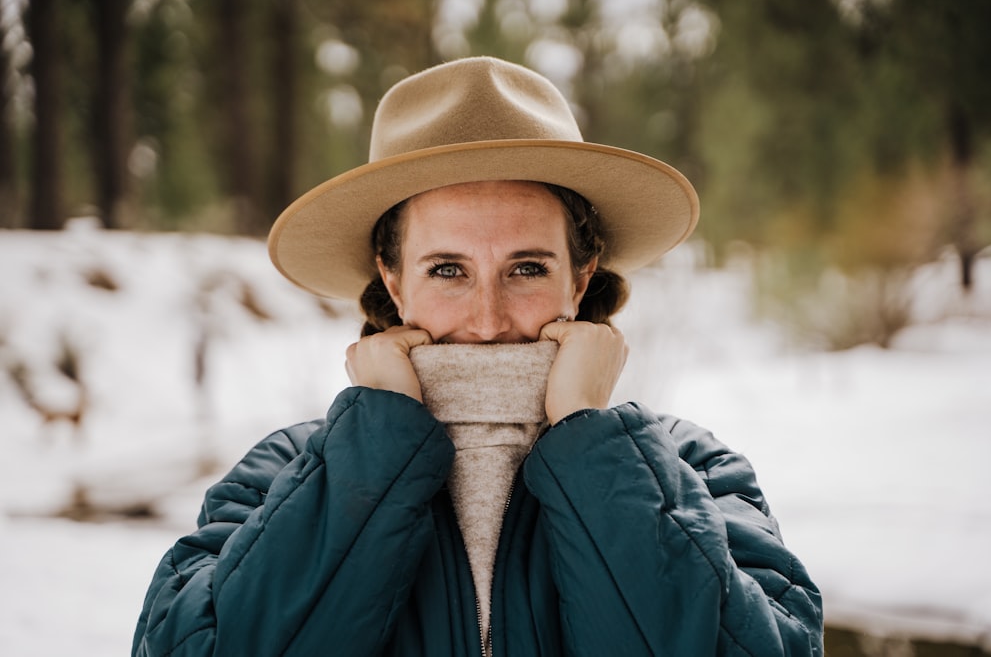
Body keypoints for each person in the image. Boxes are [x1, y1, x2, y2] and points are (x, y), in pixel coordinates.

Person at [132, 57, 823, 656]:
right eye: (447, 270)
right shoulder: (279, 476)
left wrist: (591, 441)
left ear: (580, 279)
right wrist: (374, 446)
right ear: (393, 280)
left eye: (525, 268)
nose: (488, 322)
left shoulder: (695, 471)